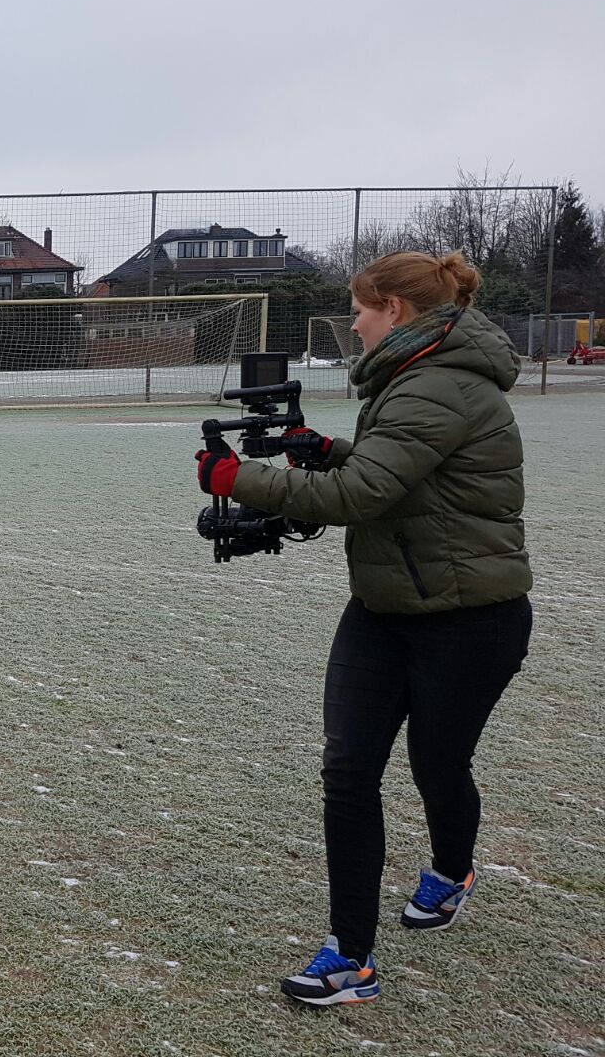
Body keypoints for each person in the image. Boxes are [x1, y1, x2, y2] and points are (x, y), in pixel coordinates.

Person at [194, 250, 532, 1007]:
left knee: (437, 766)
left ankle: (451, 871)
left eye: (362, 308)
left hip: (469, 620)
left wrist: (235, 479)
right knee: (349, 774)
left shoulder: (439, 385)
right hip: (384, 609)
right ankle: (351, 958)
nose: (354, 322)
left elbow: (366, 492)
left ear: (398, 312)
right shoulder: (415, 379)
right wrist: (327, 450)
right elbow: (395, 472)